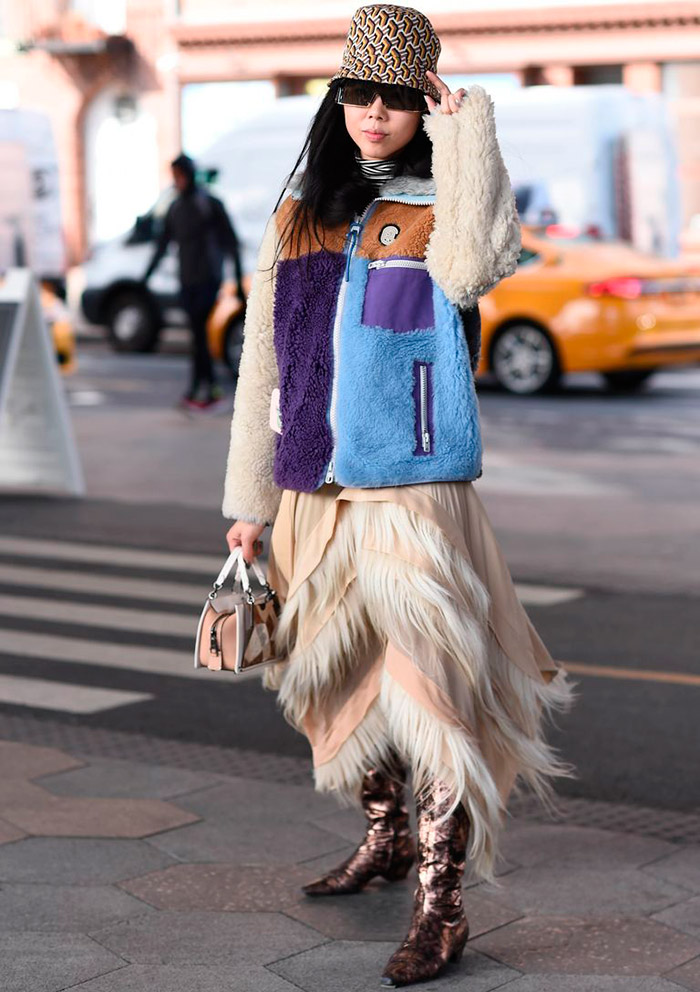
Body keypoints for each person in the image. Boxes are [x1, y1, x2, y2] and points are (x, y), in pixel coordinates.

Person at [222, 5, 574, 987]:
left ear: (420, 104)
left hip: (413, 488)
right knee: (331, 683)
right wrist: (248, 500)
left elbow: (474, 265)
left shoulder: (439, 199)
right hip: (312, 484)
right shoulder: (299, 215)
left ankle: (441, 905)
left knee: (432, 697)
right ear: (336, 99)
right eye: (358, 94)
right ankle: (385, 834)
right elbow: (262, 366)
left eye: (394, 97)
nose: (374, 113)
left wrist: (468, 135)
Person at [143, 153, 246, 411]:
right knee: (197, 335)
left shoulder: (209, 203)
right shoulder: (176, 207)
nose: (177, 181)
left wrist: (237, 282)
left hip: (208, 279)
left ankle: (203, 388)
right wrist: (145, 277)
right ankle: (204, 387)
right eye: (174, 176)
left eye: (180, 175)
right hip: (187, 280)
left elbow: (231, 243)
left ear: (188, 174)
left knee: (200, 333)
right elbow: (163, 244)